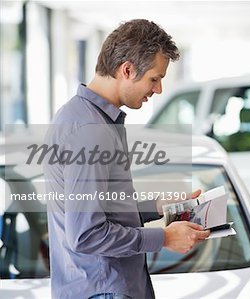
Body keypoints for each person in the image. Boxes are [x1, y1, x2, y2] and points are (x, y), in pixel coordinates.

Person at [43, 19, 209, 299]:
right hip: (104, 289)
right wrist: (165, 237)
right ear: (127, 70)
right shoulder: (89, 131)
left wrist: (156, 207)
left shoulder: (86, 119)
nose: (158, 90)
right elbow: (87, 234)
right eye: (154, 79)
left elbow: (99, 210)